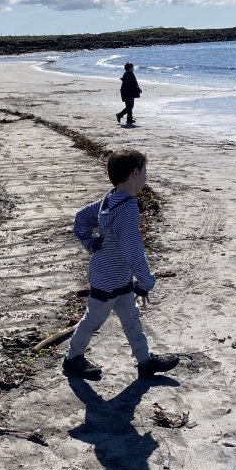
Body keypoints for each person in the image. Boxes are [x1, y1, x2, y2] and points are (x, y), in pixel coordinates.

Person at [62, 149, 179, 381]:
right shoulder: (127, 209)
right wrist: (146, 281)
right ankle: (72, 359)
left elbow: (81, 218)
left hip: (119, 276)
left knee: (131, 319)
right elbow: (132, 249)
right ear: (135, 173)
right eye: (145, 172)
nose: (146, 177)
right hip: (107, 278)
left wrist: (91, 242)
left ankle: (145, 362)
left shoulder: (111, 198)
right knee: (92, 320)